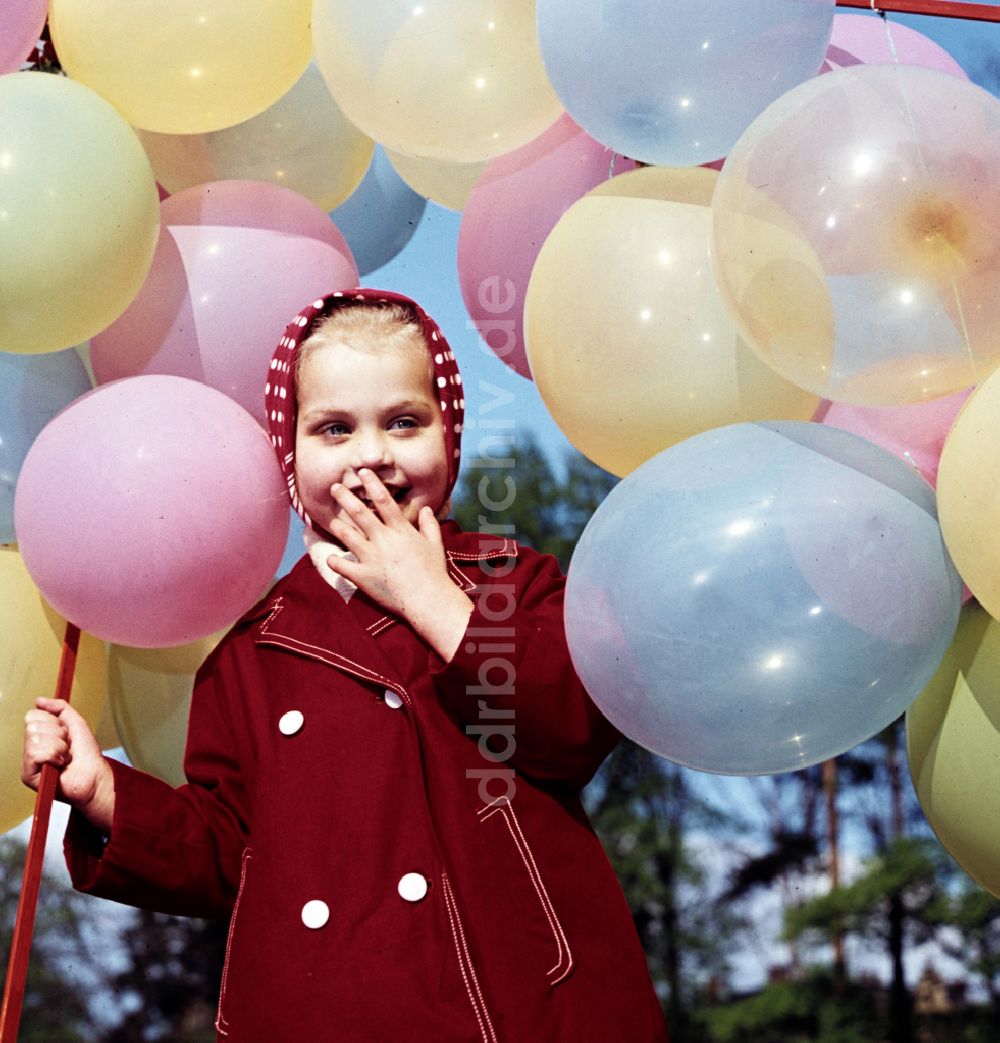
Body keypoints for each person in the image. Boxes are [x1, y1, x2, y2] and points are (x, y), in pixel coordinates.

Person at [22, 288, 669, 1042]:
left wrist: (431, 595)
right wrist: (102, 789)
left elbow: (569, 724)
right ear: (290, 452)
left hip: (518, 999)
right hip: (323, 1008)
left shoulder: (510, 580)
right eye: (334, 428)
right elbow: (226, 851)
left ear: (448, 432)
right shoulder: (249, 652)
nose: (372, 454)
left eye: (404, 421)